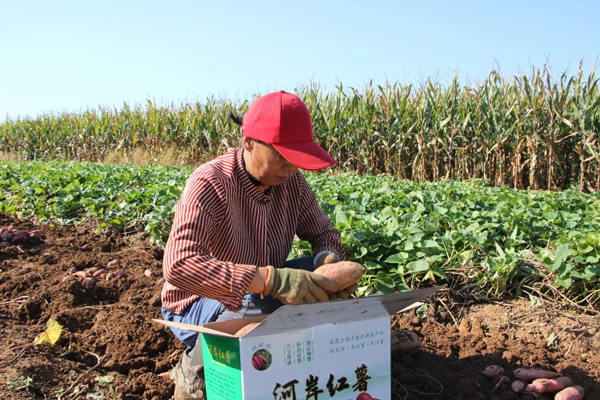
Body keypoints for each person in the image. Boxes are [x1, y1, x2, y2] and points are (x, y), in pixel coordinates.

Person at [160, 90, 363, 400]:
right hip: (195, 305)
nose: (291, 165)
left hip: (259, 295)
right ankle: (193, 369)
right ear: (249, 143)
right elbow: (179, 264)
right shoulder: (210, 182)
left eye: (296, 156)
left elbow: (324, 234)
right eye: (281, 154)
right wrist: (271, 280)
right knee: (261, 298)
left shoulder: (292, 183)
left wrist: (328, 263)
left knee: (310, 277)